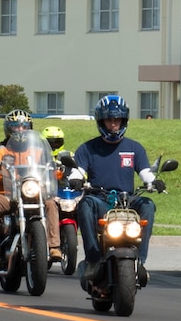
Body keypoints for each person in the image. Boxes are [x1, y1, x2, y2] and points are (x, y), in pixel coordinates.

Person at [71, 95, 166, 276]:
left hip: (127, 200)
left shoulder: (134, 148)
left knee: (148, 204)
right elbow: (78, 171)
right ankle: (93, 259)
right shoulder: (88, 148)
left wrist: (153, 182)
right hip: (100, 200)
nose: (113, 124)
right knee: (85, 203)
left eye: (117, 119)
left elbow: (145, 172)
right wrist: (75, 179)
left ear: (124, 121)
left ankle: (140, 261)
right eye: (109, 120)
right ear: (101, 121)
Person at [0, 110, 45, 267]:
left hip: (33, 193)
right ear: (8, 128)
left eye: (24, 126)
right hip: (6, 194)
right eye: (15, 126)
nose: (20, 130)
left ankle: (55, 247)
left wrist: (56, 171)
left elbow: (50, 167)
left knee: (53, 204)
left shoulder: (38, 149)